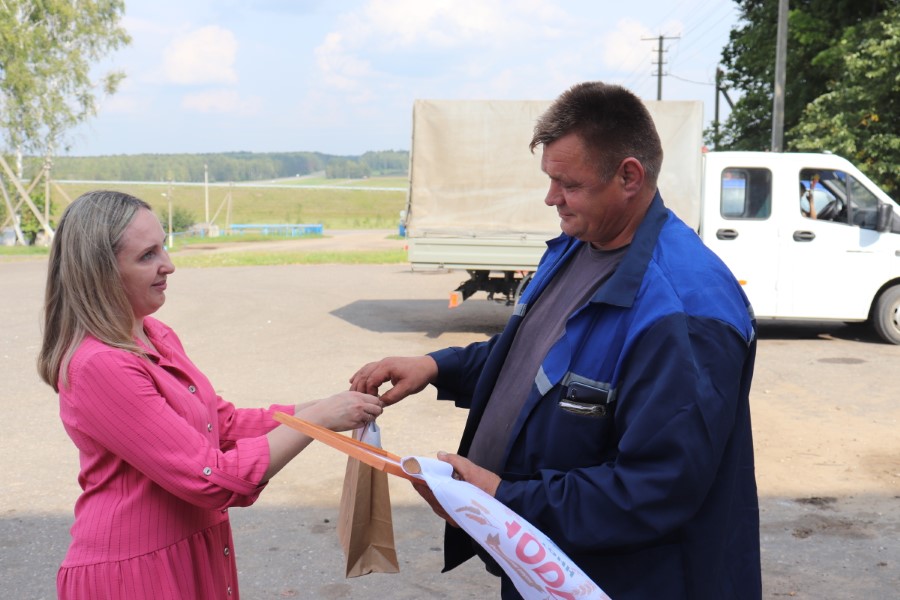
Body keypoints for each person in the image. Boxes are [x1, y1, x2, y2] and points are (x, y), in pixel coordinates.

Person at [351, 82, 761, 599]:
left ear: (629, 176)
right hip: (543, 559)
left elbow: (655, 488)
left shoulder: (685, 311)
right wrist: (437, 366)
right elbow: (534, 361)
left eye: (568, 183)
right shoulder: (576, 247)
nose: (551, 198)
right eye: (550, 179)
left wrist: (502, 497)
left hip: (628, 582)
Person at [37, 190, 383, 599]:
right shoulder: (101, 364)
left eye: (163, 246)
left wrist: (328, 406)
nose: (169, 264)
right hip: (134, 574)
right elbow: (209, 479)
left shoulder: (154, 334)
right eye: (147, 255)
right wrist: (316, 420)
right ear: (101, 273)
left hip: (182, 552)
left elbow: (222, 424)